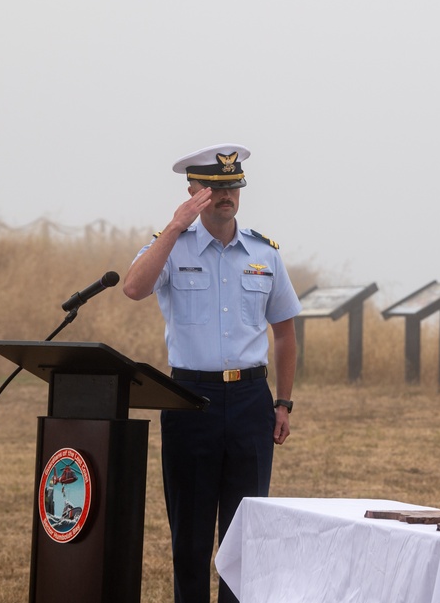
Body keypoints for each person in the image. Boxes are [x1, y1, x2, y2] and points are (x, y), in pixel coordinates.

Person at [123, 143, 301, 603]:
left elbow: (284, 332)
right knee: (191, 537)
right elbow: (133, 287)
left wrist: (283, 403)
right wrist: (176, 224)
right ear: (194, 191)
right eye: (215, 188)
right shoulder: (173, 245)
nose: (226, 196)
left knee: (244, 538)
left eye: (233, 186)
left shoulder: (265, 254)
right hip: (189, 401)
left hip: (250, 403)